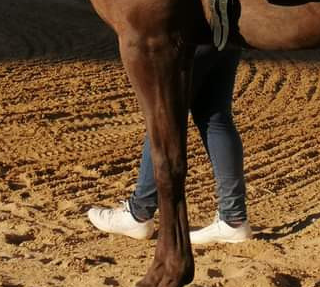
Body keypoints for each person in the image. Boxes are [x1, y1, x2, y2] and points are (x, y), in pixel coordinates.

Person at [87, 44, 251, 245]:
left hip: (195, 34)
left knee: (164, 116)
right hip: (227, 29)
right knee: (215, 117)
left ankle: (139, 212)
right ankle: (233, 219)